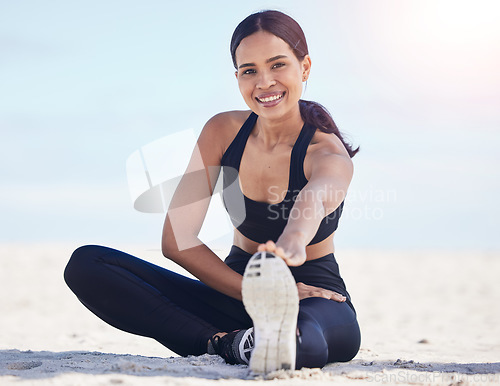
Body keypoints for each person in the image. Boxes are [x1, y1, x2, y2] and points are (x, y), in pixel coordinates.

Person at [64, 10, 361, 373]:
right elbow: (178, 241)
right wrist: (254, 292)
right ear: (237, 77)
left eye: (278, 64)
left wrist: (291, 245)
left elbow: (313, 200)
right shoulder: (223, 131)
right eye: (249, 70)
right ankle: (230, 343)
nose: (264, 82)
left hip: (313, 298)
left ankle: (232, 341)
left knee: (301, 338)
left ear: (305, 67)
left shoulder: (327, 154)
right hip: (233, 290)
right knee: (87, 264)